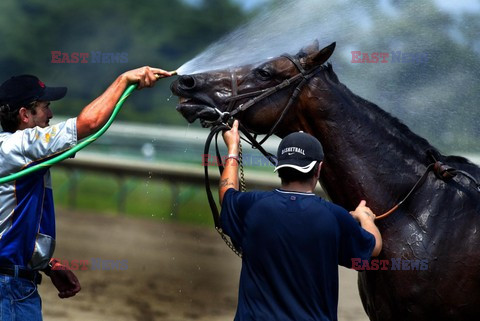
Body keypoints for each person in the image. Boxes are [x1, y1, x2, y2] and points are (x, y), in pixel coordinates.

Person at [0, 66, 172, 321]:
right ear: (25, 114)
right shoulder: (18, 147)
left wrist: (45, 265)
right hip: (9, 289)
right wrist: (123, 80)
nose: (51, 113)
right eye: (45, 106)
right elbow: (88, 123)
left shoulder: (11, 151)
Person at [219, 120, 382, 321]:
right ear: (318, 169)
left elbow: (227, 193)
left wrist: (233, 147)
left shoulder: (251, 206)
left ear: (279, 166)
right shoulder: (335, 217)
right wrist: (366, 219)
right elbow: (373, 248)